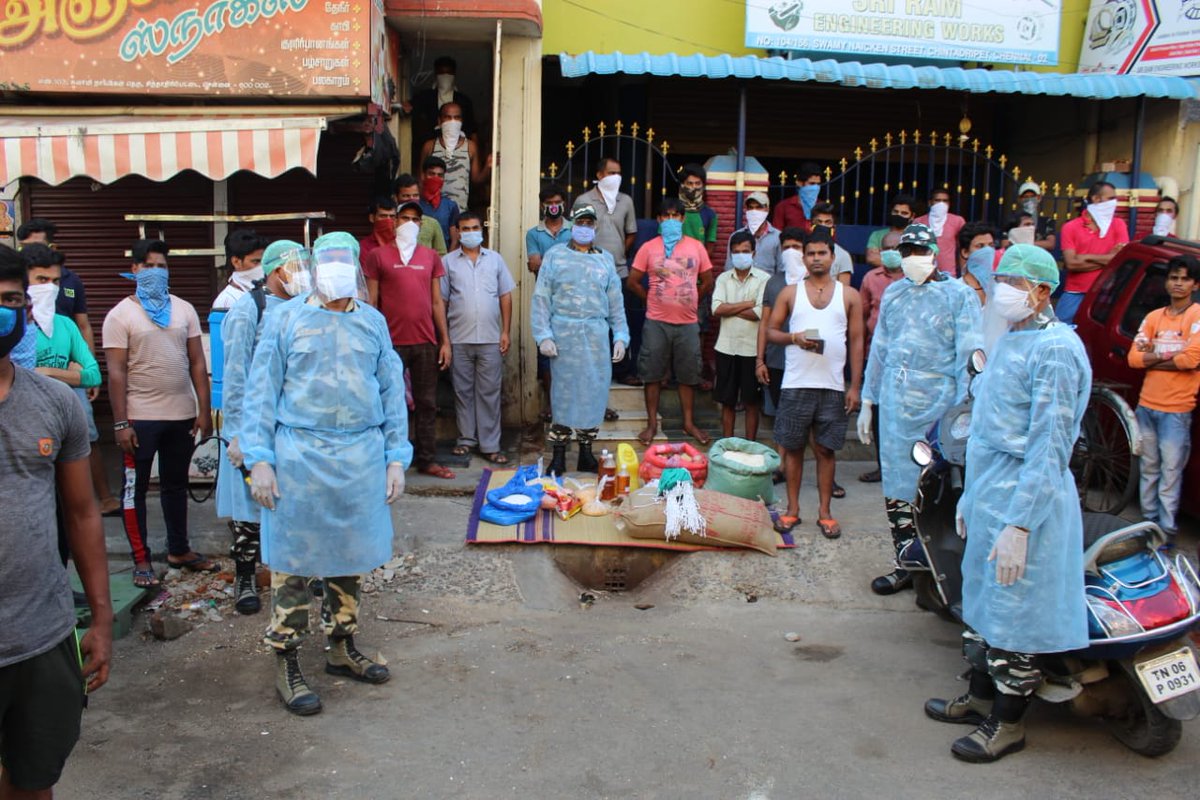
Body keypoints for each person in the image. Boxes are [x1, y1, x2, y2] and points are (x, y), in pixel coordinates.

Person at [926, 244, 1091, 763]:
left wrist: (1020, 523)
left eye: (1015, 282)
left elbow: (1049, 444)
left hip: (1027, 497)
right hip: (991, 488)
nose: (1003, 291)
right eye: (1000, 279)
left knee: (1014, 611)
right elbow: (986, 426)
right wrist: (972, 496)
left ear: (1043, 291)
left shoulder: (1057, 351)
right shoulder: (1014, 340)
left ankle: (1009, 722)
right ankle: (978, 697)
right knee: (981, 602)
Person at [242, 232, 411, 715]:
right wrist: (260, 458)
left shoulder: (373, 323)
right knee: (295, 561)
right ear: (313, 268)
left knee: (349, 555)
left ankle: (340, 645)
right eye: (327, 260)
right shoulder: (285, 319)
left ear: (356, 267)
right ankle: (287, 658)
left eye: (344, 260)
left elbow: (390, 392)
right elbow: (261, 392)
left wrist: (395, 456)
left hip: (359, 456)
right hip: (299, 456)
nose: (336, 268)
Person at [0, 245, 113, 797]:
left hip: (43, 637)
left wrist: (101, 618)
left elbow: (82, 512)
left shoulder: (55, 403)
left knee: (35, 779)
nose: (3, 310)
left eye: (10, 300)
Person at [858, 223, 982, 595]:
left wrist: (964, 411)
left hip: (939, 403)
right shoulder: (895, 293)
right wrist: (868, 400)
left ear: (934, 253)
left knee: (936, 486)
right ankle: (905, 562)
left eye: (919, 252)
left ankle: (943, 568)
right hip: (896, 404)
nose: (913, 259)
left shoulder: (959, 296)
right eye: (906, 252)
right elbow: (880, 349)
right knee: (897, 484)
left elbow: (969, 356)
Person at [103, 240, 215, 589]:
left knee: (175, 485)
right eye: (149, 266)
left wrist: (203, 411)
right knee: (134, 490)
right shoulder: (120, 315)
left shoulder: (183, 310)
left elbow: (197, 362)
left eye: (162, 266)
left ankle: (179, 550)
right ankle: (141, 560)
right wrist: (120, 422)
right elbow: (117, 372)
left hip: (181, 414)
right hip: (139, 418)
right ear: (134, 270)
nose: (156, 272)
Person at [216, 241, 312, 616]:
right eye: (295, 269)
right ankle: (244, 576)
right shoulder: (247, 310)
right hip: (255, 424)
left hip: (292, 425)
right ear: (275, 272)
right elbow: (235, 375)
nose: (301, 277)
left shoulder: (305, 308)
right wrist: (239, 433)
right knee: (249, 505)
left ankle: (295, 574)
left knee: (292, 501)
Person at [765, 228, 864, 539]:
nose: (817, 258)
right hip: (796, 384)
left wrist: (855, 386)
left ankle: (825, 513)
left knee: (825, 450)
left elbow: (858, 341)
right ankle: (792, 511)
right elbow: (771, 332)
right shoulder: (790, 293)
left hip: (833, 386)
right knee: (792, 449)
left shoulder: (849, 295)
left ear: (833, 257)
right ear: (803, 258)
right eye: (811, 254)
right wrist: (793, 338)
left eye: (823, 253)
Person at [18, 220, 118, 516]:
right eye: (41, 281)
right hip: (27, 427)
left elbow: (91, 373)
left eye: (54, 281)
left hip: (67, 410)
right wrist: (72, 373)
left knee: (75, 501)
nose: (49, 288)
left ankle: (101, 498)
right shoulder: (12, 325)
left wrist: (49, 372)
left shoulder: (64, 325)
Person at [531, 205, 629, 475]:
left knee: (593, 394)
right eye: (580, 222)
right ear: (572, 224)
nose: (585, 227)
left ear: (595, 227)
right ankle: (559, 455)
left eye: (589, 222)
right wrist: (543, 335)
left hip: (596, 337)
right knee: (563, 395)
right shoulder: (555, 256)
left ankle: (586, 452)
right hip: (564, 337)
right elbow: (541, 298)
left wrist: (620, 335)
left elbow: (615, 302)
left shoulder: (605, 260)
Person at [363, 200, 455, 480]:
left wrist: (445, 341)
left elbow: (437, 302)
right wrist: (373, 341)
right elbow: (372, 302)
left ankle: (427, 459)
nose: (410, 224)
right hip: (390, 342)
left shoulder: (430, 256)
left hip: (425, 341)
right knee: (387, 401)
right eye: (405, 218)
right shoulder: (378, 256)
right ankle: (388, 458)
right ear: (395, 221)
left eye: (416, 219)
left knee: (427, 403)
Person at [628, 198, 715, 446]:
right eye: (665, 216)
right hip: (656, 321)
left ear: (682, 219)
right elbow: (632, 281)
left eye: (675, 216)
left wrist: (695, 301)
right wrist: (650, 299)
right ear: (658, 220)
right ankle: (652, 424)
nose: (671, 220)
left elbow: (708, 280)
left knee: (689, 375)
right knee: (652, 374)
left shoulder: (696, 247)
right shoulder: (648, 248)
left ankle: (688, 423)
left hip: (688, 323)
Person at [1128, 254, 1200, 537]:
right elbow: (1134, 359)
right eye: (1174, 278)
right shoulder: (1153, 317)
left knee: (1170, 474)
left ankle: (1165, 531)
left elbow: (1191, 360)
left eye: (1184, 279)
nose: (1178, 284)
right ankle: (1146, 528)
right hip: (1147, 404)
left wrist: (1154, 355)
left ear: (1195, 284)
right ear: (1167, 282)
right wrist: (1173, 354)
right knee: (1149, 469)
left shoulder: (1196, 316)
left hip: (1177, 409)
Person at [442, 211, 514, 465]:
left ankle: (490, 445)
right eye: (465, 228)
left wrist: (505, 331)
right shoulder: (448, 262)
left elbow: (505, 296)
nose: (470, 232)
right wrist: (445, 340)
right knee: (462, 391)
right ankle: (466, 440)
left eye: (474, 227)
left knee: (489, 392)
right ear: (458, 232)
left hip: (490, 337)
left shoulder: (495, 260)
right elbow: (442, 301)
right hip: (459, 337)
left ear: (481, 230)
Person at [573, 158, 640, 383]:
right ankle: (593, 371)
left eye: (619, 173)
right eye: (611, 173)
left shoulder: (626, 201)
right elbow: (576, 232)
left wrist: (618, 252)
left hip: (619, 271)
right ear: (599, 175)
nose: (615, 177)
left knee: (620, 321)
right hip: (588, 273)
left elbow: (631, 233)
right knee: (591, 322)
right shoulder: (584, 200)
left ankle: (622, 371)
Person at [756, 227, 807, 483]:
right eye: (786, 247)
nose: (791, 252)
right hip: (777, 359)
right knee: (781, 414)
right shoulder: (774, 282)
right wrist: (760, 359)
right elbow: (764, 323)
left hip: (808, 361)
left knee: (807, 416)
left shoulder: (815, 281)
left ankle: (814, 470)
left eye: (796, 247)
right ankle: (782, 466)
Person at [856, 229, 905, 483]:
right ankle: (881, 466)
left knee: (901, 412)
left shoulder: (913, 278)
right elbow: (863, 315)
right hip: (877, 355)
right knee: (876, 413)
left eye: (897, 248)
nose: (892, 253)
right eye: (887, 248)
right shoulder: (870, 278)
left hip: (907, 358)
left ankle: (903, 466)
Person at [713, 231, 770, 440]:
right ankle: (727, 445)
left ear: (753, 252)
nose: (740, 255)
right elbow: (716, 309)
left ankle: (750, 446)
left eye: (745, 251)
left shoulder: (764, 279)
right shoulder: (723, 278)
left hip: (751, 349)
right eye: (736, 252)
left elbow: (760, 314)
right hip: (725, 348)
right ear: (730, 253)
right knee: (727, 401)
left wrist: (731, 308)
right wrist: (748, 303)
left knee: (751, 402)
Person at [526, 184, 573, 421]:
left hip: (572, 300)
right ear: (542, 205)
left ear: (564, 203)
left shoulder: (575, 229)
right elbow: (534, 264)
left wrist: (547, 262)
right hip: (545, 300)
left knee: (571, 353)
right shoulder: (533, 233)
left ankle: (574, 401)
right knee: (546, 352)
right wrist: (563, 262)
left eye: (557, 201)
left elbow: (579, 262)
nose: (553, 207)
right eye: (548, 203)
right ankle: (553, 404)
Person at [1058, 180, 1130, 324]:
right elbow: (1071, 264)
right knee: (1059, 332)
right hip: (1075, 293)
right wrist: (1108, 259)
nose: (1114, 203)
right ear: (1096, 199)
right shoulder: (1070, 227)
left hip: (1106, 293)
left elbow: (1122, 260)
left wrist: (1085, 258)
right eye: (1110, 199)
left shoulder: (1118, 224)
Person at [418, 103, 490, 213]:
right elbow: (421, 180)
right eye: (448, 117)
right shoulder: (429, 146)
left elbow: (476, 180)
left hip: (460, 212)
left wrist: (488, 167)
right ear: (439, 121)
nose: (452, 121)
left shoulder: (470, 147)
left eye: (457, 117)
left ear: (461, 121)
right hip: (433, 211)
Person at [405, 55, 479, 143]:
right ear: (436, 74)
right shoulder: (425, 97)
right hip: (432, 144)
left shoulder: (464, 101)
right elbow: (409, 108)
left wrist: (474, 150)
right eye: (442, 73)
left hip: (458, 145)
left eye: (449, 73)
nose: (445, 77)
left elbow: (472, 130)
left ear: (454, 75)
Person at [212, 229, 268, 311]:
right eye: (256, 261)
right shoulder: (227, 301)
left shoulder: (267, 294)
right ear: (236, 262)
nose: (261, 267)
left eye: (264, 261)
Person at [728, 191, 783, 274]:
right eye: (750, 207)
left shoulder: (778, 237)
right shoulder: (735, 236)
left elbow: (781, 270)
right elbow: (729, 267)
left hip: (768, 285)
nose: (754, 211)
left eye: (759, 207)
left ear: (767, 209)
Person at [915, 188, 966, 276]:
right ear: (930, 203)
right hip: (924, 274)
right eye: (937, 200)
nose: (941, 204)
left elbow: (963, 248)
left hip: (949, 274)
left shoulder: (957, 221)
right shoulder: (918, 222)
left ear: (949, 204)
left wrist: (963, 273)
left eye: (945, 201)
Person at [417, 156, 462, 252]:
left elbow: (454, 240)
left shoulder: (451, 206)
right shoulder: (414, 203)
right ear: (423, 175)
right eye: (431, 174)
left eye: (440, 175)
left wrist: (446, 261)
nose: (435, 178)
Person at [394, 175, 447, 255]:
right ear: (396, 198)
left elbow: (441, 254)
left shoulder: (432, 223)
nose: (411, 199)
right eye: (406, 196)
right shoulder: (391, 222)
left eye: (415, 195)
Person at [679, 163, 719, 259]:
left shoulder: (710, 214)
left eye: (698, 183)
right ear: (682, 184)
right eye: (689, 183)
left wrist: (700, 264)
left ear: (703, 185)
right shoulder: (672, 211)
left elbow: (710, 244)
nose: (694, 187)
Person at [865, 194, 916, 269]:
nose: (899, 215)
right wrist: (904, 262)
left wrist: (885, 258)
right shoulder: (877, 235)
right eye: (895, 212)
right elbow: (872, 258)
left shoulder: (917, 237)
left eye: (904, 213)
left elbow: (917, 263)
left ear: (912, 216)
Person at [810, 203, 855, 285]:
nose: (822, 226)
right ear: (811, 225)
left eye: (828, 222)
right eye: (818, 222)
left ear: (833, 227)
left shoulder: (843, 255)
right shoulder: (801, 252)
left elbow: (844, 291)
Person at [772, 162, 823, 233]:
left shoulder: (822, 207)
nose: (815, 187)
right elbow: (776, 235)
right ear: (799, 182)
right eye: (812, 183)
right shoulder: (783, 207)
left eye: (818, 184)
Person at [1014, 180, 1058, 251]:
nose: (1029, 199)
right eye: (1025, 197)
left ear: (1039, 198)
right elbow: (1005, 244)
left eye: (1032, 196)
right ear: (1020, 199)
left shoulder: (1047, 221)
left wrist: (1024, 244)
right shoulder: (1012, 221)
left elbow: (1050, 244)